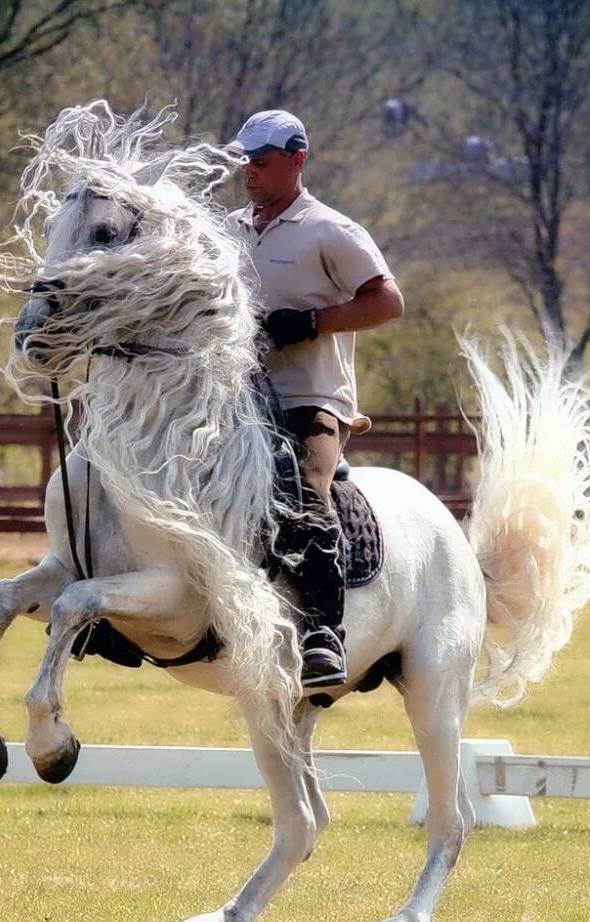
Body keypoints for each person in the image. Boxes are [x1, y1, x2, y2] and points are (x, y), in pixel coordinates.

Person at [226, 109, 404, 688]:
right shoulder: (225, 230)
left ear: (296, 160)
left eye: (262, 162)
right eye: (245, 162)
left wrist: (310, 322)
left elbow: (387, 303)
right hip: (230, 394)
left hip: (310, 398)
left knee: (304, 490)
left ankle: (325, 632)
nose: (249, 172)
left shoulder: (332, 230)